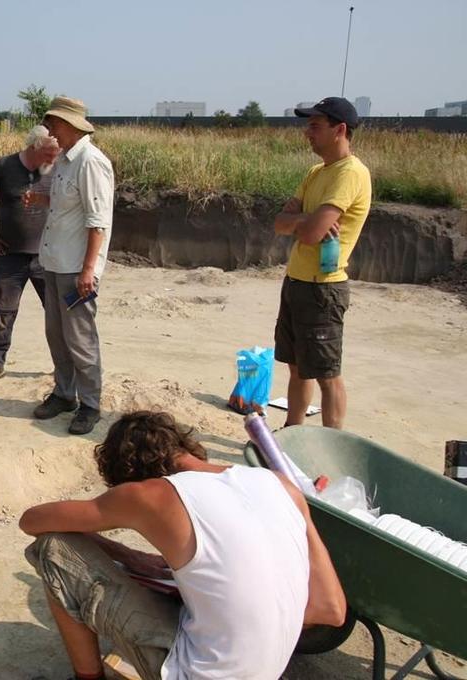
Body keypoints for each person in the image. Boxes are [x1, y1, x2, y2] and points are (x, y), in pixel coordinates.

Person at [20, 410, 346, 680]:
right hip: (267, 672)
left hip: (198, 674)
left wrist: (121, 552)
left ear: (129, 474)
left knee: (54, 549)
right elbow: (331, 610)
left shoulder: (150, 495)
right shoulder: (279, 484)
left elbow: (32, 521)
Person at [273, 97, 372, 430]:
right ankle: (293, 433)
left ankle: (332, 445)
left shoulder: (351, 174)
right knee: (298, 367)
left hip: (323, 289)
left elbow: (314, 233)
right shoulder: (316, 172)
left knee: (327, 375)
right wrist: (303, 220)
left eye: (315, 126)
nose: (307, 133)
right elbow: (279, 223)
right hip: (298, 281)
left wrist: (301, 223)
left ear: (339, 129)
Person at [33, 96, 115, 435]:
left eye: (52, 123)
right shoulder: (66, 161)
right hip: (54, 262)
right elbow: (71, 202)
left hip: (75, 269)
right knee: (57, 335)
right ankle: (64, 394)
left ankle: (90, 404)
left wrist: (88, 271)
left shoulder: (91, 162)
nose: (49, 129)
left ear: (67, 123)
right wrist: (42, 198)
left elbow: (98, 222)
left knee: (80, 339)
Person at [0, 125, 61, 387]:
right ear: (34, 147)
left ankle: (63, 367)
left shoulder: (58, 169)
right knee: (2, 311)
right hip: (10, 257)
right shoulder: (3, 167)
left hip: (49, 256)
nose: (53, 160)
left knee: (58, 313)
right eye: (48, 155)